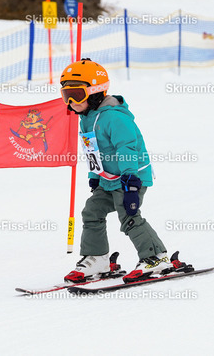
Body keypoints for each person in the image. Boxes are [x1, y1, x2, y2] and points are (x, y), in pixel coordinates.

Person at [60, 58, 172, 283]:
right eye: (66, 95)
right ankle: (97, 258)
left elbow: (127, 148)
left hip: (131, 177)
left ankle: (156, 257)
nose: (71, 102)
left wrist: (130, 179)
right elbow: (93, 150)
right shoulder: (86, 118)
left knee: (128, 215)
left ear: (95, 92)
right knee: (92, 211)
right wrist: (94, 177)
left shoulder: (114, 117)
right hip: (108, 179)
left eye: (77, 95)